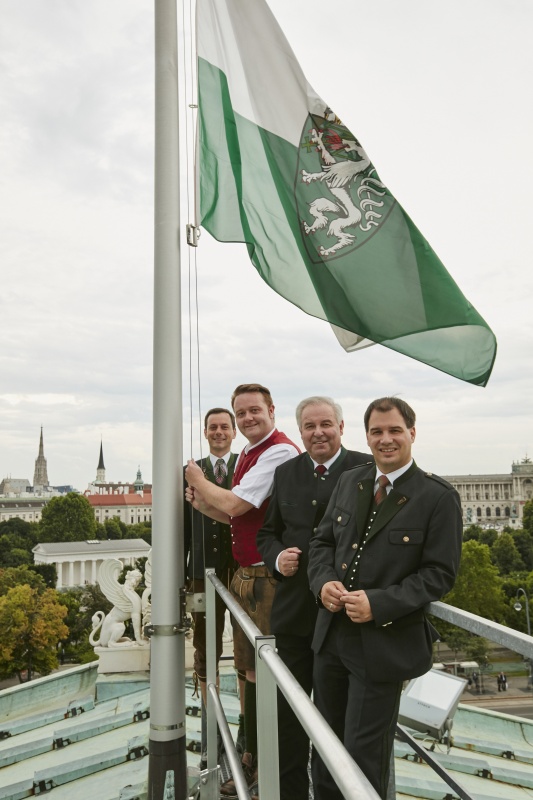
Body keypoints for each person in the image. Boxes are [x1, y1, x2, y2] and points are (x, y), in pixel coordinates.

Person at [307, 397, 463, 800]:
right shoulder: (351, 480)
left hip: (382, 646)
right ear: (367, 436)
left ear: (412, 433)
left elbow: (439, 575)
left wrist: (380, 603)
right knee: (323, 751)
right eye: (377, 431)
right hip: (331, 640)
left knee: (362, 759)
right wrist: (322, 583)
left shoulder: (437, 497)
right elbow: (322, 542)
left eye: (395, 430)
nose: (386, 439)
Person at [185, 383, 299, 797]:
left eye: (255, 411)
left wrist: (198, 479)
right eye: (242, 413)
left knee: (262, 670)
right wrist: (200, 504)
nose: (249, 418)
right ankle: (250, 755)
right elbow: (235, 513)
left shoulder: (278, 452)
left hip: (265, 577)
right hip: (247, 576)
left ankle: (262, 761)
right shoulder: (252, 454)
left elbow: (235, 506)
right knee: (249, 669)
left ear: (271, 410)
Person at [257, 396, 372, 800]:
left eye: (326, 424)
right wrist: (276, 557)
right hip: (293, 620)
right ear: (300, 432)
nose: (318, 432)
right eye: (309, 426)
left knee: (334, 722)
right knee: (288, 722)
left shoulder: (366, 467)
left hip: (342, 622)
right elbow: (266, 533)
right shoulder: (287, 472)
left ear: (342, 428)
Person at [183, 407, 241, 765]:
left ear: (233, 432)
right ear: (205, 432)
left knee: (248, 649)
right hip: (200, 574)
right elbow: (181, 528)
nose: (218, 432)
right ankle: (213, 729)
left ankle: (246, 731)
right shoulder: (189, 473)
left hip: (241, 573)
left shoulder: (247, 468)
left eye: (224, 426)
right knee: (206, 650)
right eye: (213, 427)